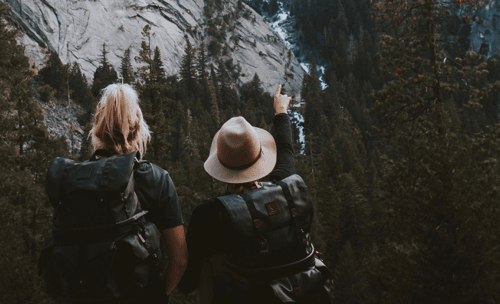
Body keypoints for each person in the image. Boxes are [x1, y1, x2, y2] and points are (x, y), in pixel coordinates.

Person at [178, 85, 330, 303]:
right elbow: (286, 151)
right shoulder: (284, 191)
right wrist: (281, 112)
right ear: (260, 159)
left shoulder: (209, 215)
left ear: (221, 170)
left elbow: (188, 283)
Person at [40, 84, 187, 303]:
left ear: (97, 125)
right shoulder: (156, 179)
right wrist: (155, 296)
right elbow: (180, 259)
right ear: (138, 126)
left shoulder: (75, 181)